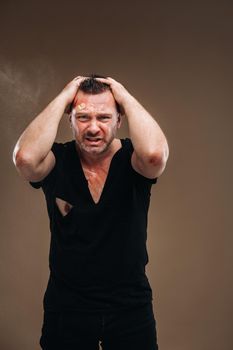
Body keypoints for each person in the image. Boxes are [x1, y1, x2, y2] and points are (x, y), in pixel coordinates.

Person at [13, 74, 169, 350]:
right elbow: (24, 159)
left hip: (130, 308)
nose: (94, 127)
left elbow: (156, 155)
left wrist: (123, 94)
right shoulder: (56, 160)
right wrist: (66, 94)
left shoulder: (135, 159)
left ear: (119, 120)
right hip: (67, 308)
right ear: (69, 119)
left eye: (105, 118)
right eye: (83, 117)